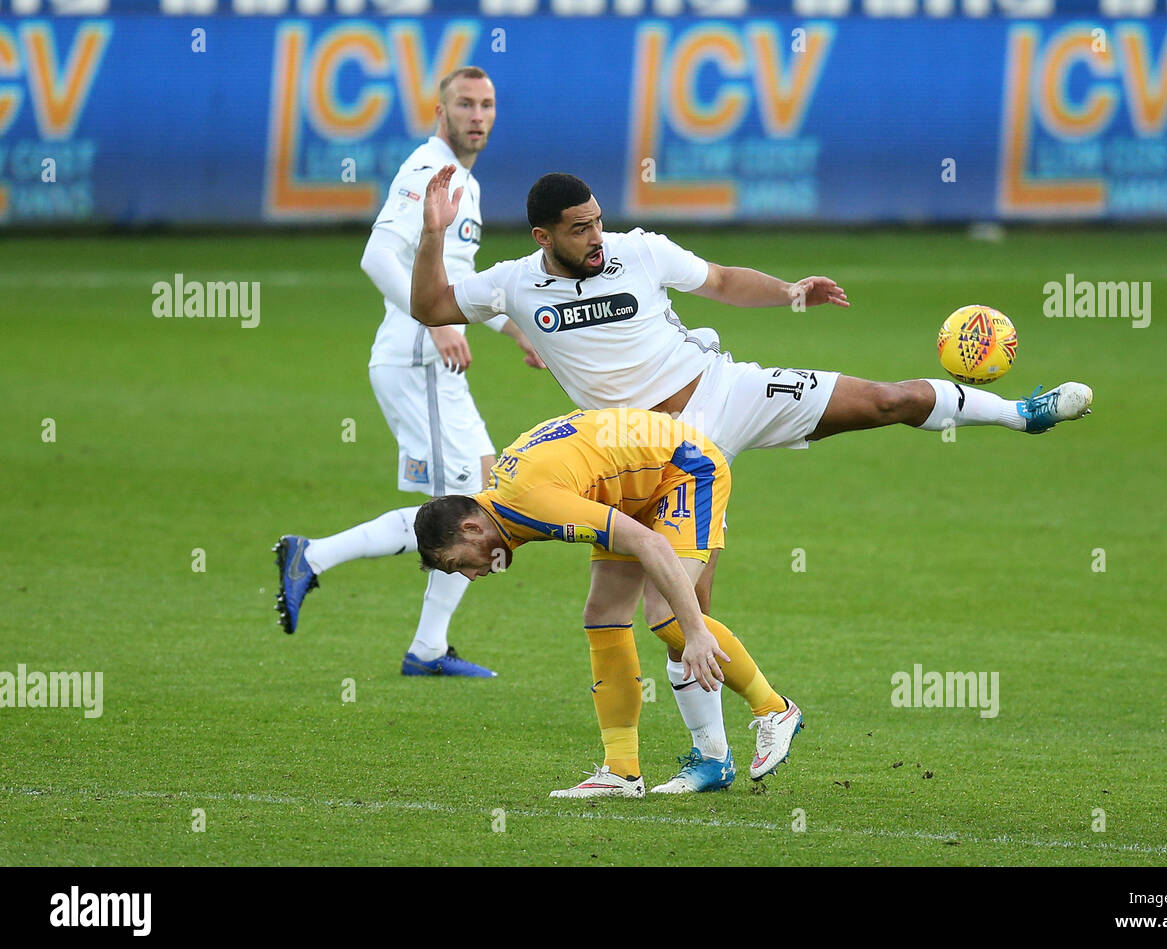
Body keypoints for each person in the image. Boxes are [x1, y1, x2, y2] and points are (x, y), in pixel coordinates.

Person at [409, 165, 1093, 788]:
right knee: (680, 614)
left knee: (885, 401)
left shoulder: (639, 250)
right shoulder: (512, 284)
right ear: (543, 235)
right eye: (580, 228)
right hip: (640, 461)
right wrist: (433, 234)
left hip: (721, 394)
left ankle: (1018, 413)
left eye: (597, 220)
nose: (596, 236)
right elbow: (430, 305)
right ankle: (710, 757)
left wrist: (791, 294)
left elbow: (724, 280)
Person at [273, 67, 542, 678]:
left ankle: (426, 649)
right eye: (465, 104)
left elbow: (459, 287)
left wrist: (516, 329)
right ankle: (311, 557)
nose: (478, 114)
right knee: (461, 510)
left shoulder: (461, 182)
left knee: (483, 498)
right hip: (418, 359)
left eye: (488, 104)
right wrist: (434, 322)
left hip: (432, 362)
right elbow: (376, 256)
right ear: (440, 111)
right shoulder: (429, 169)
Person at [414, 407, 803, 797]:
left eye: (459, 562)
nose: (470, 574)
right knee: (603, 614)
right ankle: (621, 771)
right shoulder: (507, 502)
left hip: (684, 469)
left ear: (471, 527)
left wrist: (696, 631)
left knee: (667, 615)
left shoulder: (532, 502)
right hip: (630, 489)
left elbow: (647, 543)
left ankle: (774, 708)